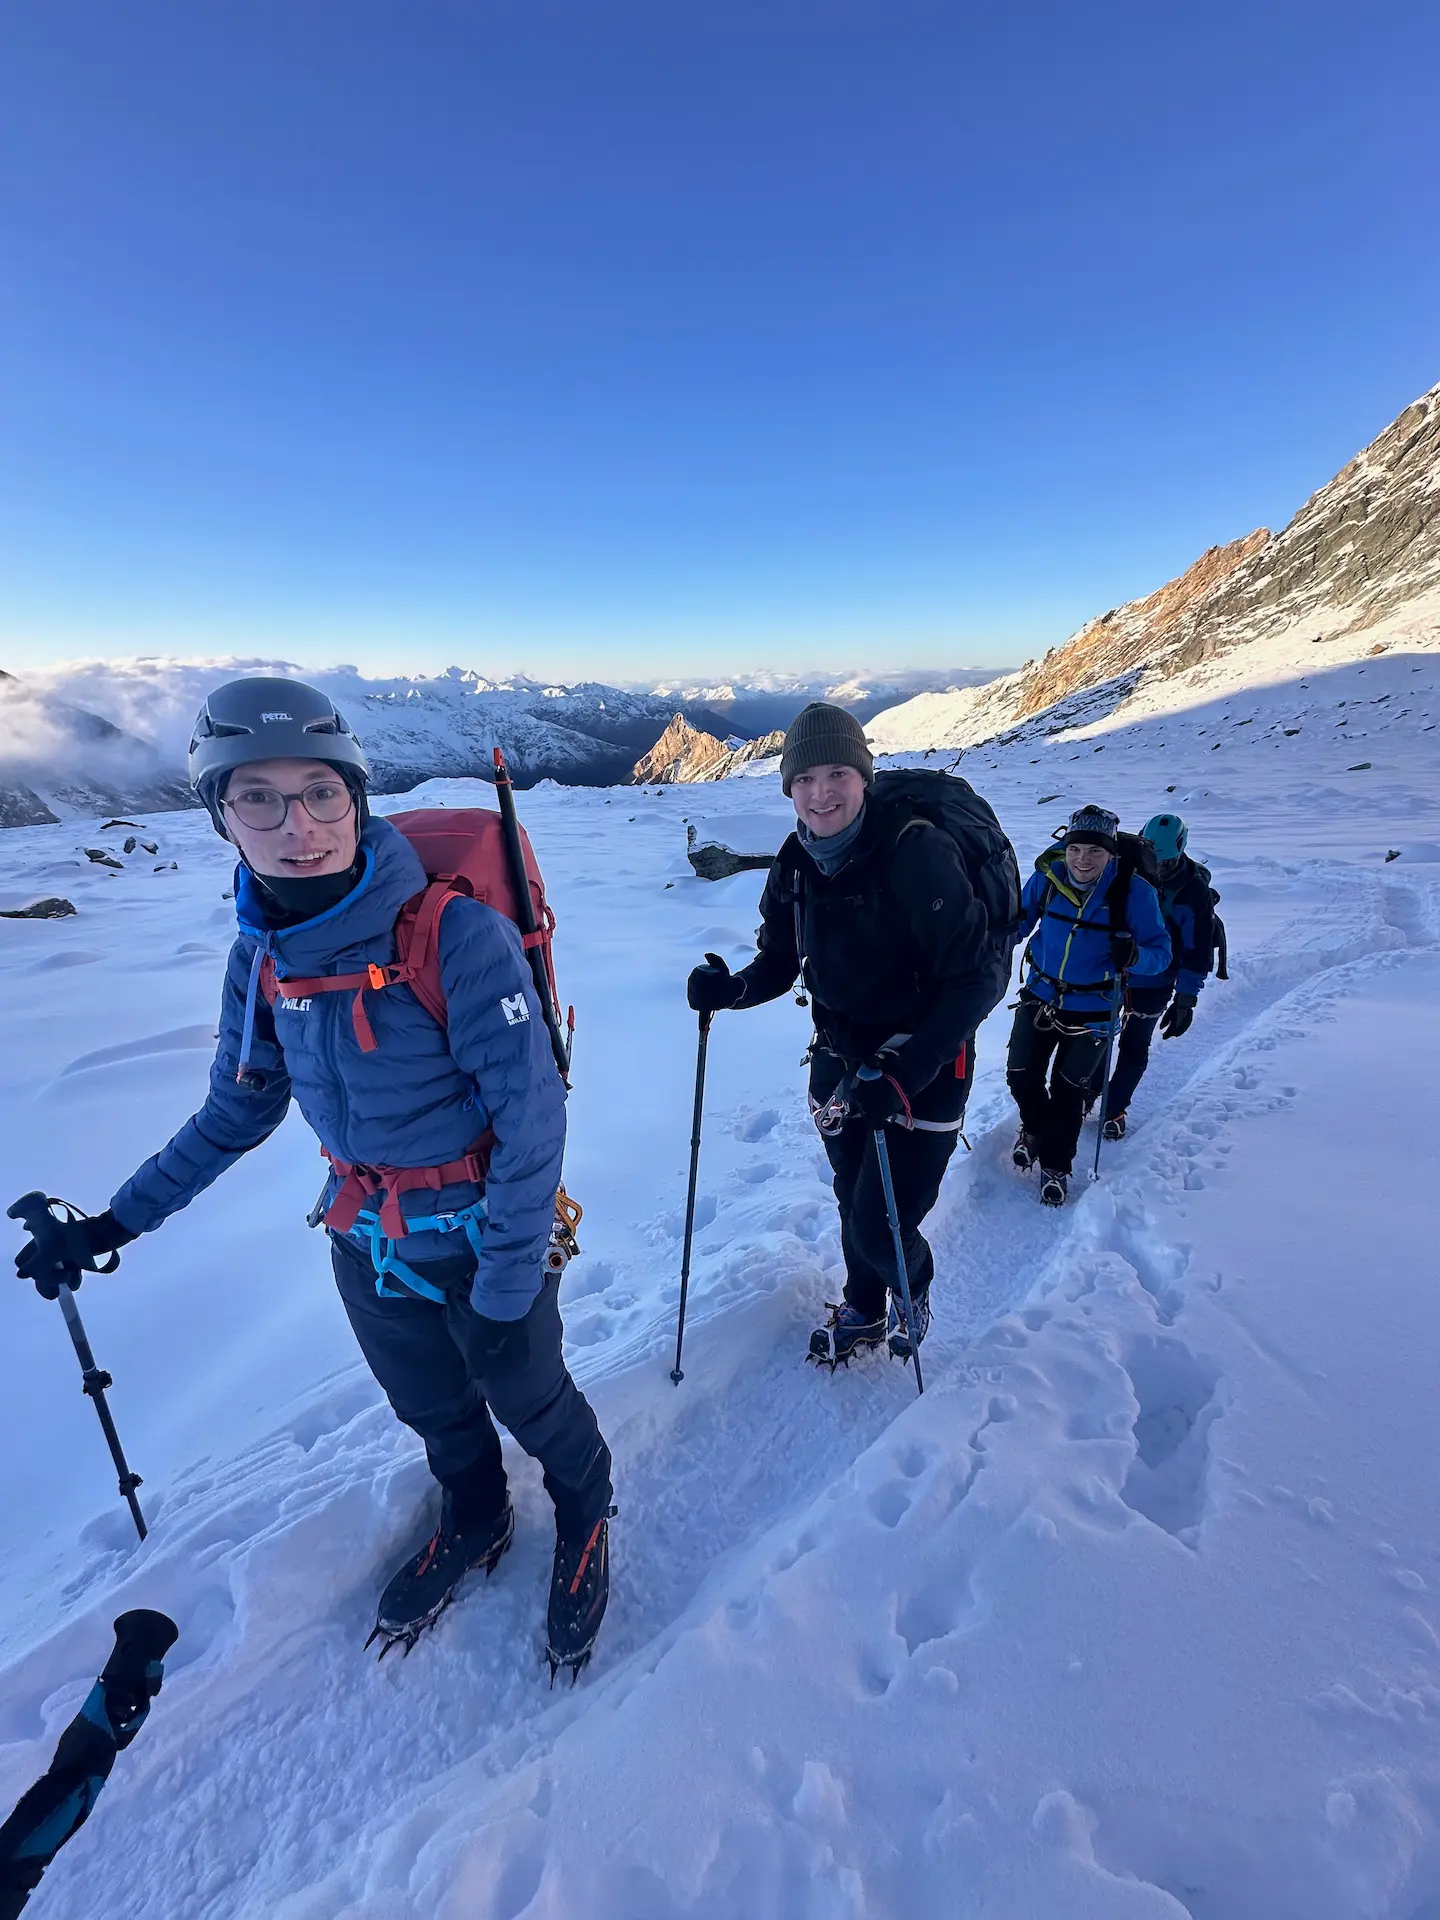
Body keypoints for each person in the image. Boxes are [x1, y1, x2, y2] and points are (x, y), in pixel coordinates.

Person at [10, 677, 613, 1679]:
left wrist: (509, 1284)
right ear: (221, 816)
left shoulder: (455, 935)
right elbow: (235, 1113)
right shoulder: (260, 961)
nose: (299, 826)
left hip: (488, 1236)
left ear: (357, 797)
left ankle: (586, 1508)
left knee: (532, 1394)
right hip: (368, 1242)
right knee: (430, 1406)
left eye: (321, 792)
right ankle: (477, 1511)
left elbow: (531, 1120)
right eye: (259, 797)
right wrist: (112, 1224)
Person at [686, 702, 1014, 1368]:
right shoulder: (794, 862)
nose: (821, 793)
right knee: (851, 1194)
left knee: (880, 1223)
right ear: (789, 787)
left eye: (838, 773)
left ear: (864, 776)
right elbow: (782, 960)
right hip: (838, 1059)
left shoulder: (916, 853)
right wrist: (734, 991)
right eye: (805, 779)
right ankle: (863, 1308)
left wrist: (906, 1073)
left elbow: (978, 979)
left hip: (926, 1065)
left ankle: (911, 1287)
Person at [1007, 804, 1171, 1206]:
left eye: (1095, 851)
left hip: (1095, 1007)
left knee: (1068, 1090)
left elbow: (1161, 953)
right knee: (1020, 1075)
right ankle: (1035, 1129)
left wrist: (1134, 956)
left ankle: (1056, 1166)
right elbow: (1019, 922)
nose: (1083, 860)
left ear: (1110, 854)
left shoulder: (1134, 892)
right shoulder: (1049, 877)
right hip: (1040, 995)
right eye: (1075, 849)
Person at [1092, 812, 1217, 1141]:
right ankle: (1086, 1095)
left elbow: (1197, 948)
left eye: (1166, 861)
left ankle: (1114, 1109)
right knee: (1096, 1037)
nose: (1158, 868)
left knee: (1134, 1044)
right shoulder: (1123, 868)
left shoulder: (1192, 891)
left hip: (1154, 981)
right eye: (1155, 859)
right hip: (1108, 974)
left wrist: (1186, 998)